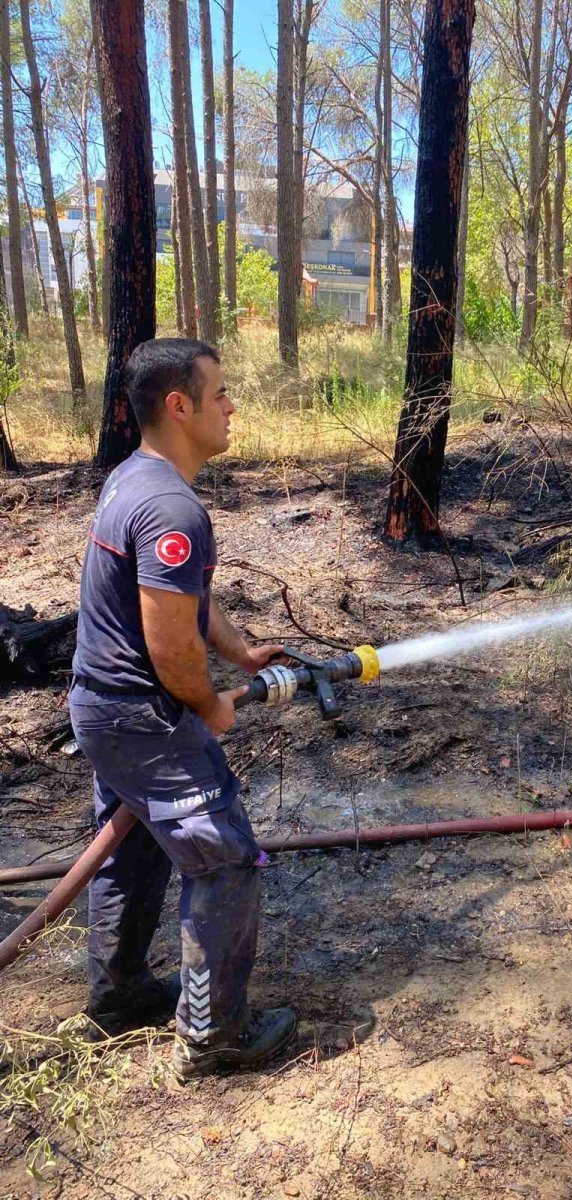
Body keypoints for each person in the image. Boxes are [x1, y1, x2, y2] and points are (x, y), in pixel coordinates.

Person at [68, 338, 296, 1081]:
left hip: (104, 710)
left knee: (131, 849)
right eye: (219, 393)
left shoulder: (135, 477)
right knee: (224, 859)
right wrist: (206, 702)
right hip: (144, 718)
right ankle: (212, 1036)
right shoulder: (171, 507)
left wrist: (240, 652)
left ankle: (120, 996)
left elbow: (185, 598)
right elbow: (169, 647)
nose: (231, 407)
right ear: (179, 406)